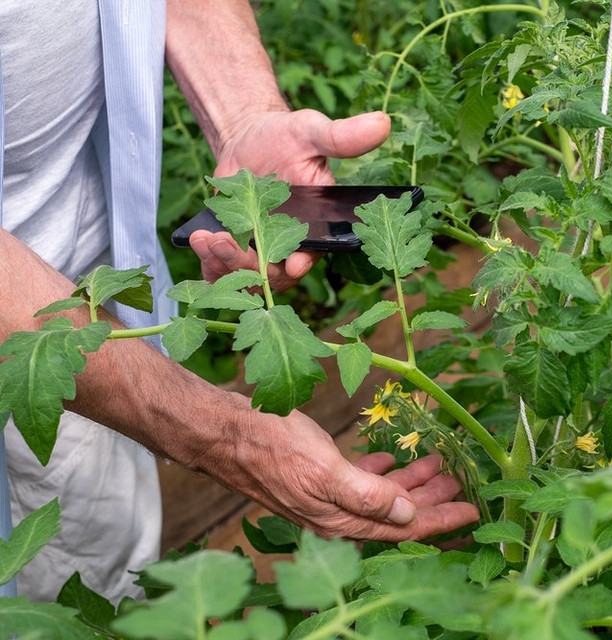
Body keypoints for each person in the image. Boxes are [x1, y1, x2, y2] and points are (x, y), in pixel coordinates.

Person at [0, 0, 479, 603]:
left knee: (93, 560)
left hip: (81, 277)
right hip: (28, 321)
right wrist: (226, 437)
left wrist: (244, 115)